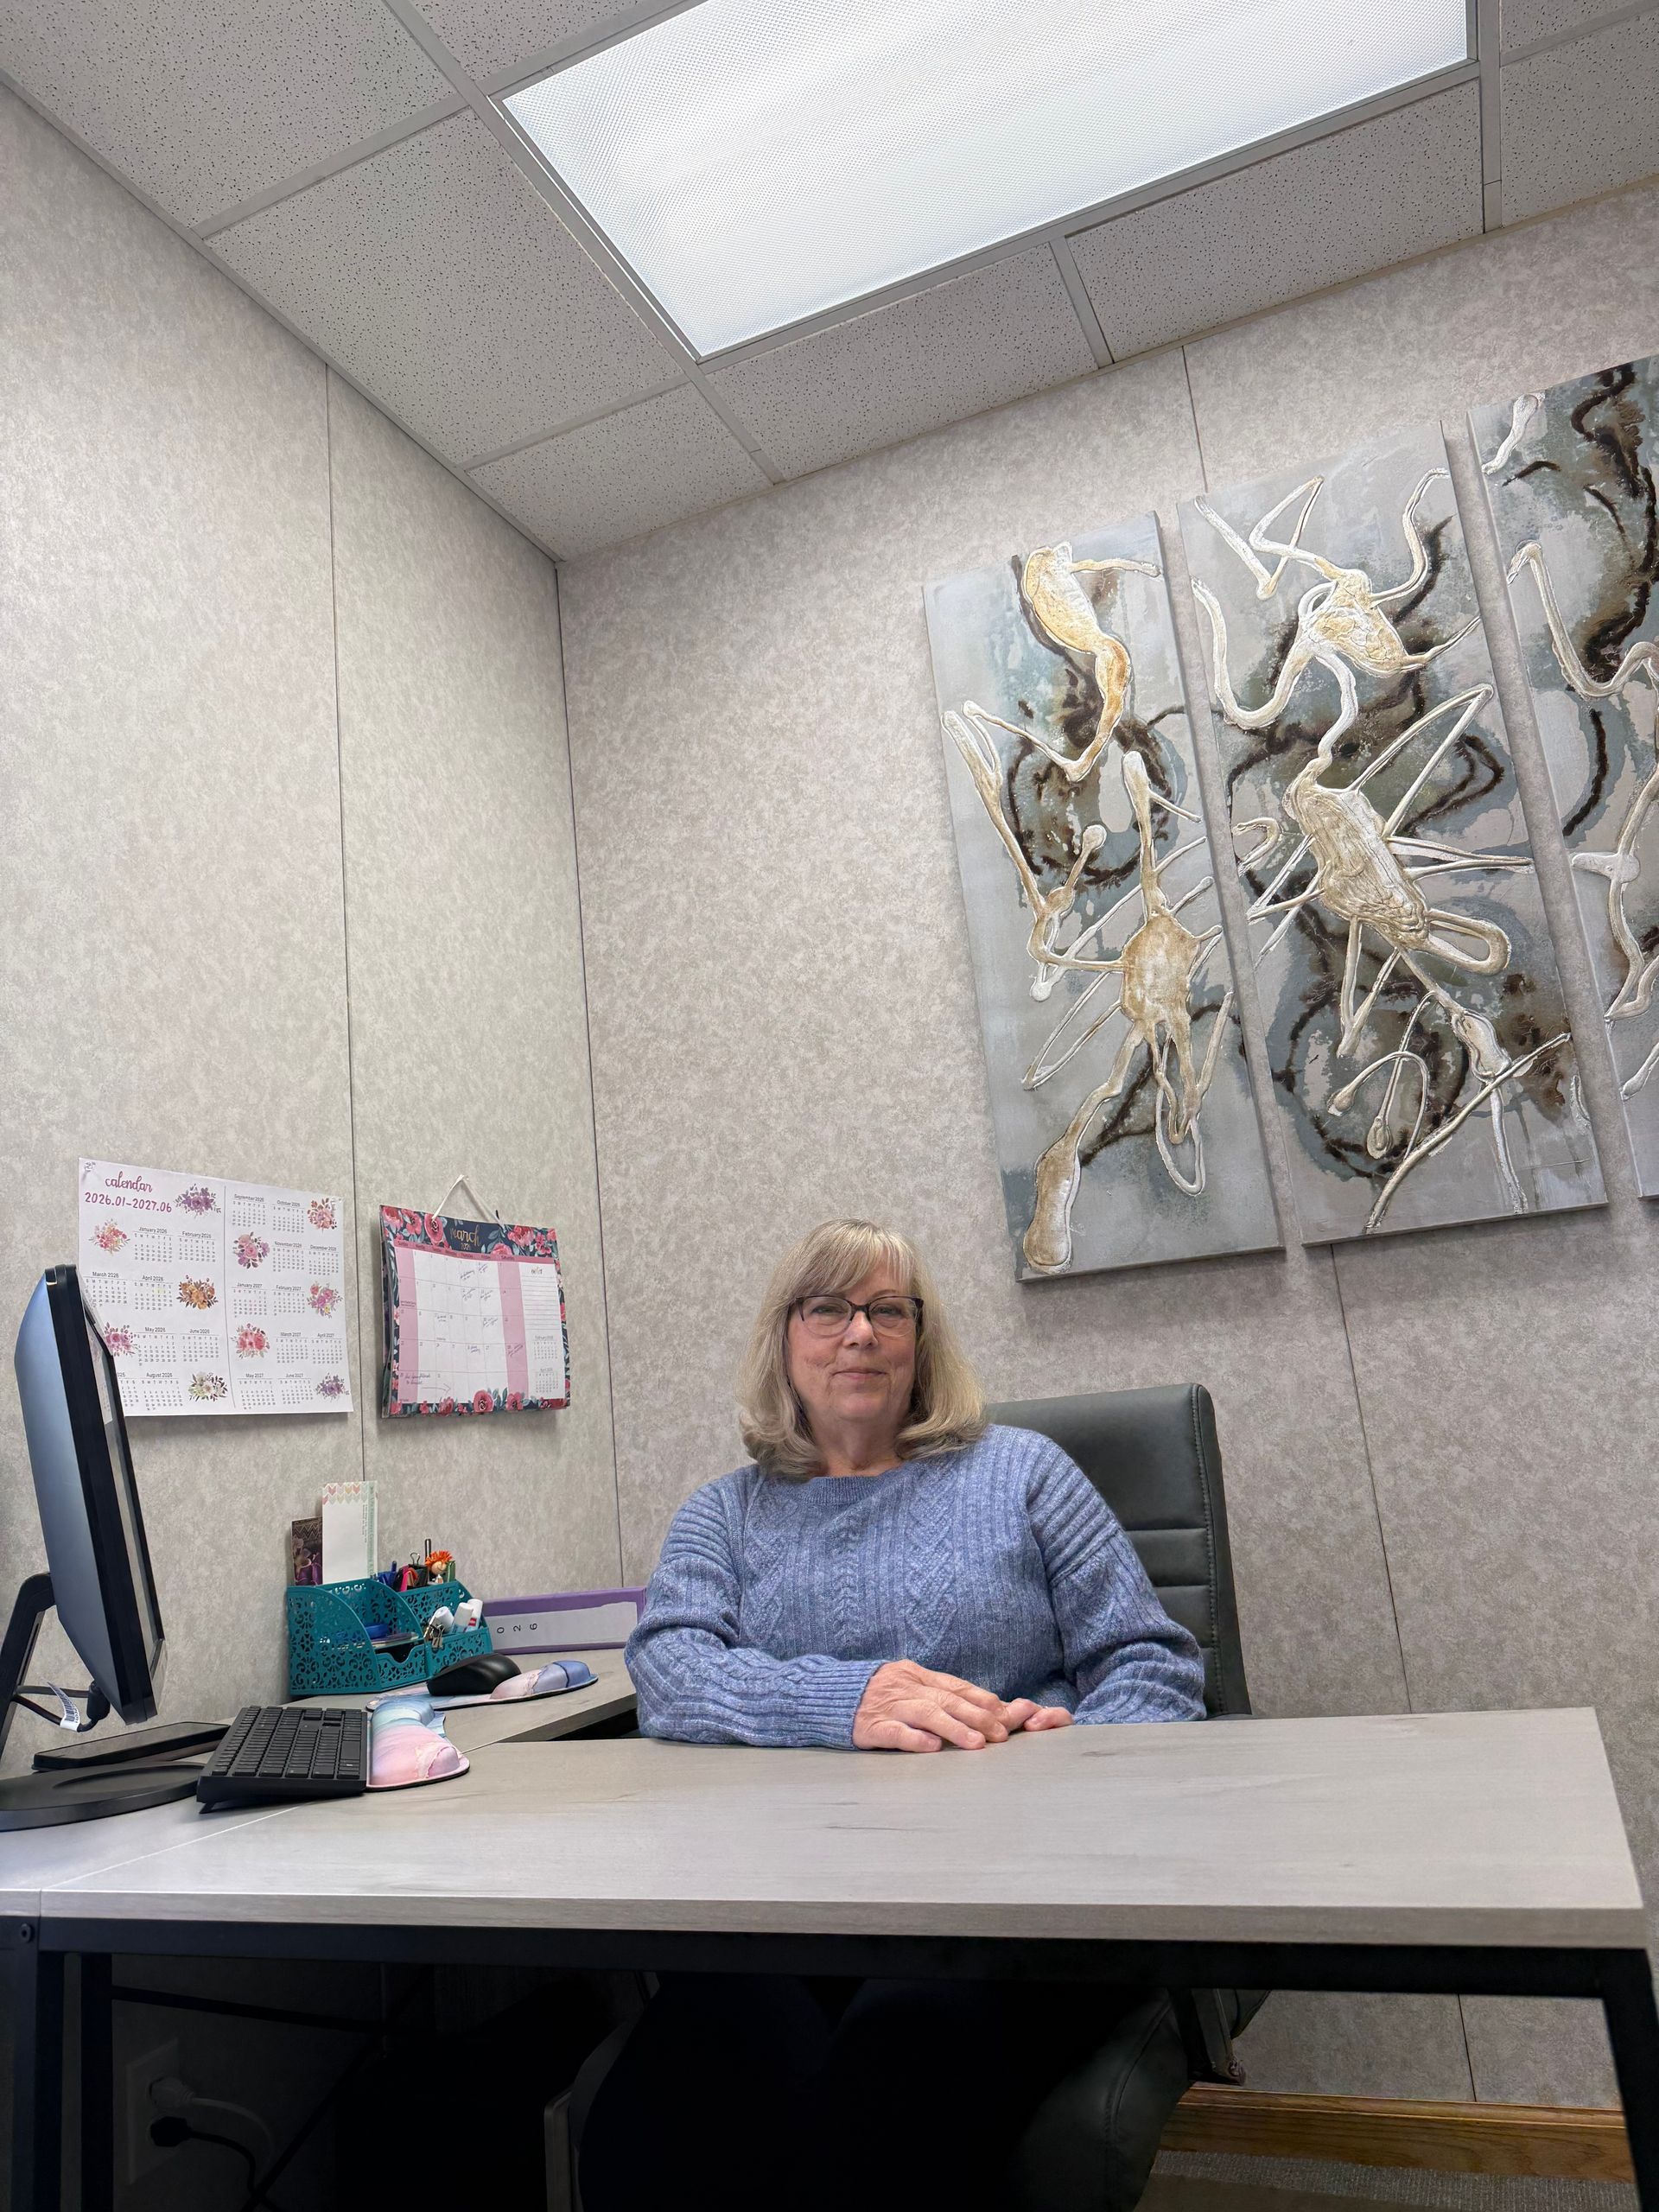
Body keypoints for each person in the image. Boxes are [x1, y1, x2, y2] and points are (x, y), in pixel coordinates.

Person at [579, 1219, 1206, 2212]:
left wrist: (1063, 1767)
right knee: (652, 2115)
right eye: (827, 1308)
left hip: (1008, 1908)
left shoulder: (1025, 1473)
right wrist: (845, 1697)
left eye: (885, 1309)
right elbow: (669, 1669)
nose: (857, 1333)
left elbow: (1153, 1662)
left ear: (923, 1339)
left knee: (896, 2066)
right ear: (786, 1339)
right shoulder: (724, 1512)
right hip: (789, 1906)